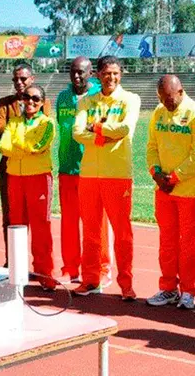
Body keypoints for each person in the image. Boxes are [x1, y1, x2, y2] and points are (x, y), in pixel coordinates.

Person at [72, 55, 141, 300]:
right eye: (106, 73)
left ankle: (126, 285)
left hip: (118, 173)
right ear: (98, 75)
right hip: (90, 174)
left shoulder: (130, 99)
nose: (111, 78)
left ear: (120, 74)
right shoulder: (86, 101)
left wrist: (97, 128)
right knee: (90, 231)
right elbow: (78, 132)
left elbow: (125, 129)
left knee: (122, 233)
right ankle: (90, 280)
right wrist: (104, 137)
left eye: (115, 73)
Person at [145, 75, 195, 309]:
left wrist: (175, 176)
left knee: (189, 245)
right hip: (163, 191)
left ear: (181, 92)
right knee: (167, 243)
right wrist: (157, 173)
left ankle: (188, 291)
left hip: (188, 191)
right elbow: (151, 147)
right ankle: (168, 288)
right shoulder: (158, 113)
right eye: (162, 99)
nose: (166, 103)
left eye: (170, 99)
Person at [55, 56, 113, 285]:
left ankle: (102, 267)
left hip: (92, 168)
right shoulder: (63, 97)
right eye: (73, 72)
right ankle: (70, 268)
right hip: (67, 167)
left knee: (96, 222)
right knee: (68, 222)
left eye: (81, 72)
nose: (77, 76)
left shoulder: (99, 96)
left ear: (91, 73)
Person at [0, 85, 57, 290]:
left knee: (41, 228)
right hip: (15, 178)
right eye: (26, 97)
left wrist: (18, 142)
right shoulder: (13, 121)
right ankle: (17, 273)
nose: (30, 102)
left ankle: (44, 274)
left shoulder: (47, 123)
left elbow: (37, 147)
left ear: (42, 102)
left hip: (38, 179)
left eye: (35, 98)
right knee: (16, 227)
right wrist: (23, 145)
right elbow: (3, 147)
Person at [0, 63, 50, 266]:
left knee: (39, 221)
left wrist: (15, 137)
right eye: (15, 79)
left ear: (31, 79)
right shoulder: (5, 103)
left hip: (36, 173)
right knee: (11, 219)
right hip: (10, 170)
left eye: (23, 79)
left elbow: (41, 135)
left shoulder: (43, 102)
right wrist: (19, 136)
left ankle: (41, 266)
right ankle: (14, 262)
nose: (19, 83)